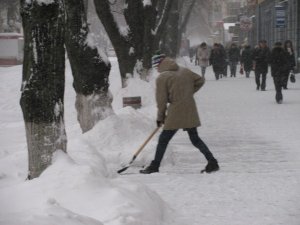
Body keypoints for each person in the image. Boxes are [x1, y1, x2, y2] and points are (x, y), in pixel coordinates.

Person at [140, 53, 219, 174]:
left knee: (163, 139)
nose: (156, 69)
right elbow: (200, 81)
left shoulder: (162, 78)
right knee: (195, 139)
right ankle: (212, 162)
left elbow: (161, 101)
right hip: (189, 108)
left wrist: (160, 117)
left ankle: (155, 166)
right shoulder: (184, 71)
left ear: (159, 65)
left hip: (176, 111)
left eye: (156, 66)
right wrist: (188, 93)